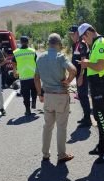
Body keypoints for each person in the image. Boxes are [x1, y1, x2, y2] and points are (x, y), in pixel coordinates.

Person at [34, 33, 76, 163]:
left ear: (48, 43)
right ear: (58, 44)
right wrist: (68, 81)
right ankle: (61, 154)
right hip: (60, 96)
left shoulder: (40, 58)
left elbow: (36, 78)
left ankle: (45, 154)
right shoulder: (61, 57)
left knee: (48, 126)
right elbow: (73, 70)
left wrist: (40, 94)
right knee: (61, 127)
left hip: (47, 95)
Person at [77, 23, 104, 164]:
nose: (85, 40)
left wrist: (86, 63)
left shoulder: (101, 43)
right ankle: (101, 146)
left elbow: (100, 66)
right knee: (98, 118)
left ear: (89, 32)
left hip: (99, 84)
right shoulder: (96, 44)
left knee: (102, 118)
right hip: (95, 84)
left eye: (84, 37)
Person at [68, 25, 92, 128]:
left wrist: (81, 77)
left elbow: (83, 62)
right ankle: (85, 117)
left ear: (78, 33)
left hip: (83, 75)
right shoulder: (76, 44)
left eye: (73, 34)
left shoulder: (81, 44)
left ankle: (87, 120)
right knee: (81, 97)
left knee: (83, 96)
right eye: (70, 35)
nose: (71, 36)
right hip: (79, 75)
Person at [12, 36, 37, 115]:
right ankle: (33, 101)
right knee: (34, 90)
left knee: (25, 94)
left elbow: (14, 63)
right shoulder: (32, 51)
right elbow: (36, 61)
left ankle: (27, 110)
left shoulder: (16, 52)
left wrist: (15, 71)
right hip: (33, 75)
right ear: (28, 42)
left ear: (20, 42)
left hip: (23, 76)